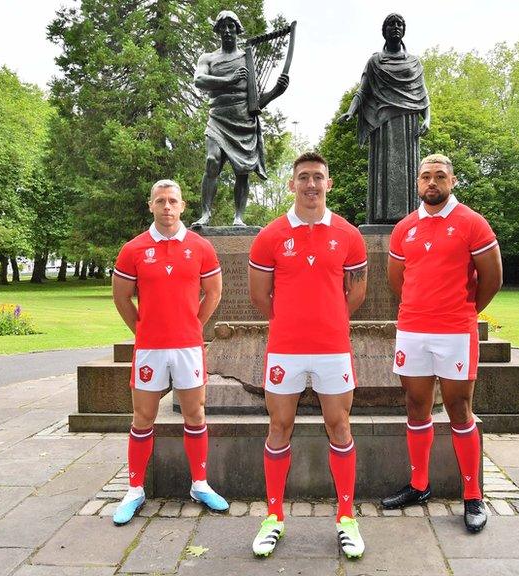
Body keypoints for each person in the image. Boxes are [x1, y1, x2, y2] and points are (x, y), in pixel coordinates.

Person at [247, 151, 368, 558]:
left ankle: (346, 518)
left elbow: (357, 293)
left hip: (334, 350)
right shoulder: (270, 235)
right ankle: (274, 517)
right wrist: (292, 324)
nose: (311, 184)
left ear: (328, 183)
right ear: (291, 184)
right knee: (279, 427)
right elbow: (259, 296)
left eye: (318, 177)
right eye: (303, 177)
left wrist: (329, 320)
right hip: (286, 351)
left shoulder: (349, 234)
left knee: (340, 426)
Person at [382, 153, 502, 533]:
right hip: (414, 331)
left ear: (452, 181)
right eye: (425, 177)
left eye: (439, 177)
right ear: (417, 183)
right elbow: (397, 281)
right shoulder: (405, 228)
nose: (431, 183)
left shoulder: (472, 223)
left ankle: (472, 494)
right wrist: (422, 311)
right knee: (417, 406)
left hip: (455, 332)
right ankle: (419, 485)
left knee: (458, 408)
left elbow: (492, 279)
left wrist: (462, 310)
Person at [110, 179, 227, 525]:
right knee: (143, 418)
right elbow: (121, 298)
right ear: (150, 205)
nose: (166, 206)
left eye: (172, 200)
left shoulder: (201, 246)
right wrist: (143, 330)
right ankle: (134, 490)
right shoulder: (133, 249)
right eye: (160, 200)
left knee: (195, 414)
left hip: (188, 348)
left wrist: (192, 326)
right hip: (150, 350)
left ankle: (200, 484)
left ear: (182, 205)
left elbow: (214, 293)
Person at [192, 10, 289, 227]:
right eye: (223, 27)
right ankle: (206, 213)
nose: (227, 31)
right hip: (218, 118)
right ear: (218, 31)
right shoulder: (208, 58)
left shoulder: (247, 58)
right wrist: (229, 79)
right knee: (211, 161)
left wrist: (275, 92)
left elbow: (256, 103)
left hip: (243, 121)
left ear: (237, 29)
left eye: (231, 26)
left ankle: (239, 217)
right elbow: (199, 80)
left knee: (242, 171)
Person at [338, 13, 429, 224]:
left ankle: (409, 220)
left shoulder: (414, 62)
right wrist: (351, 112)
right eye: (391, 24)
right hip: (382, 122)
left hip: (408, 123)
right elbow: (362, 91)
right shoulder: (375, 62)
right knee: (383, 169)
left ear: (403, 30)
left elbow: (423, 95)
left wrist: (427, 119)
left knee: (407, 170)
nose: (395, 27)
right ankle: (380, 218)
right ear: (384, 31)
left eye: (399, 24)